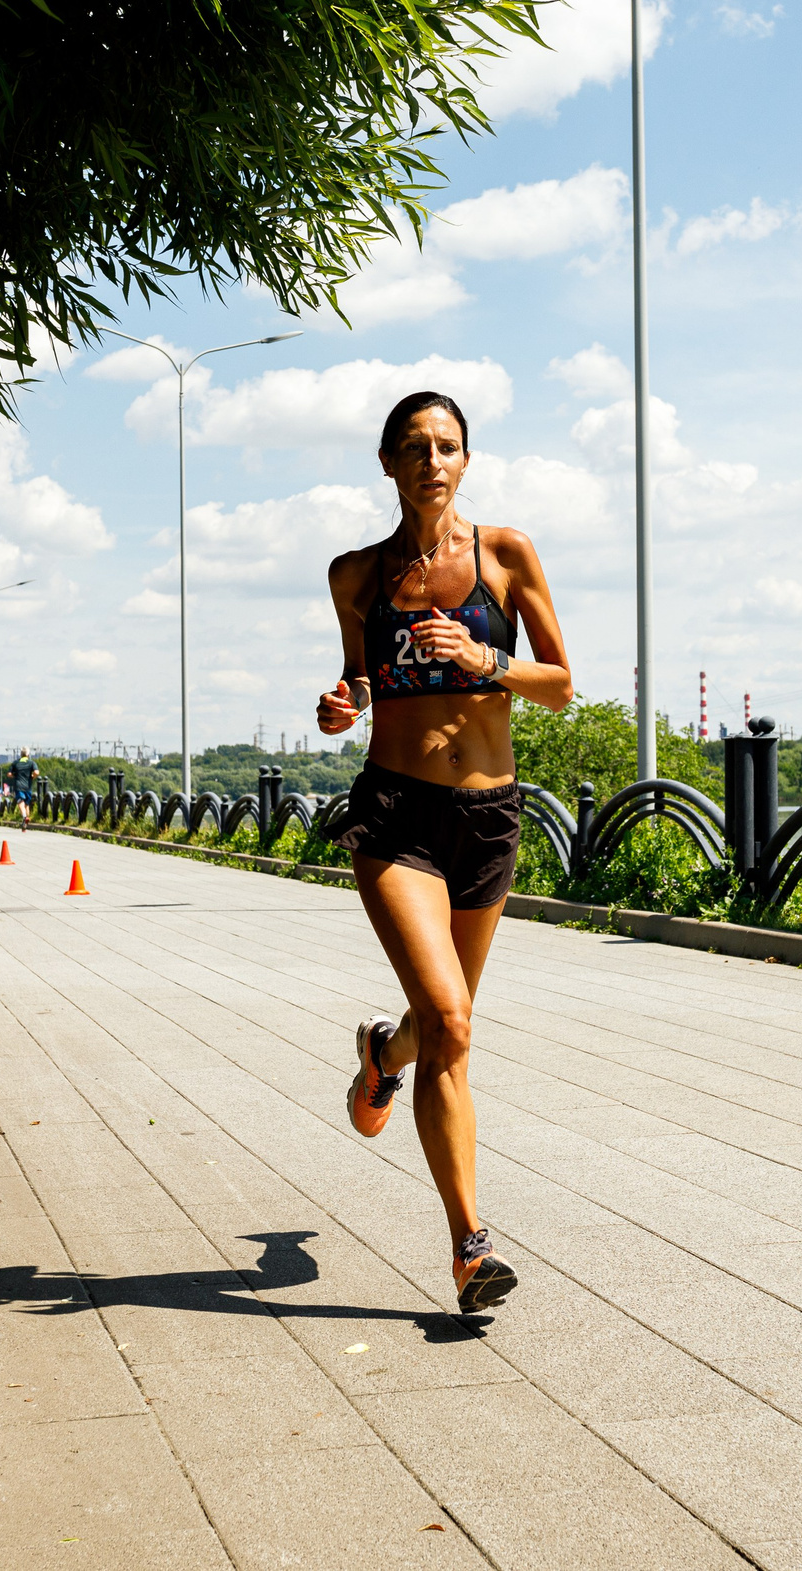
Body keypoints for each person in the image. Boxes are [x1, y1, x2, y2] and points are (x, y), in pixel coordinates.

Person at [315, 390, 572, 1316]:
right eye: (415, 446)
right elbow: (356, 677)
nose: (433, 459)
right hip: (395, 814)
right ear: (387, 462)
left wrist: (482, 660)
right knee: (456, 1026)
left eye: (449, 445)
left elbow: (561, 685)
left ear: (467, 461)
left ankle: (384, 1053)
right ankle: (471, 1247)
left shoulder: (506, 555)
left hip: (489, 818)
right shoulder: (356, 575)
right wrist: (340, 705)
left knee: (440, 1020)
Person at [5, 748, 36, 826]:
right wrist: (32, 776)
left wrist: (14, 775)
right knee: (27, 804)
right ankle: (26, 823)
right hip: (28, 786)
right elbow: (36, 772)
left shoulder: (15, 763)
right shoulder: (31, 763)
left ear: (21, 754)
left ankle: (24, 817)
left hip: (19, 786)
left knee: (20, 801)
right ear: (28, 755)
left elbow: (9, 774)